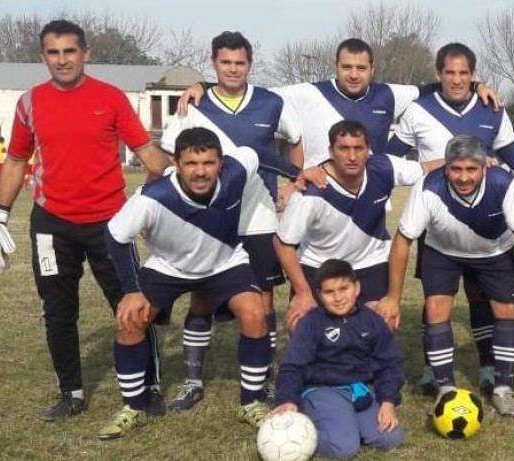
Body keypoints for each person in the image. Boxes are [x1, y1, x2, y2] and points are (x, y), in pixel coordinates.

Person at [0, 19, 172, 422]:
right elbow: (17, 160)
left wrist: (173, 189)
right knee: (57, 311)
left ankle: (150, 385)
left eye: (70, 51)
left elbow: (150, 156)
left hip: (110, 225)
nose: (62, 60)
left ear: (86, 53)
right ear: (43, 57)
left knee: (133, 305)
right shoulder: (29, 102)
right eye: (53, 53)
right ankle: (70, 392)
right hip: (51, 225)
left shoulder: (111, 98)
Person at [158, 31, 305, 412]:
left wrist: (293, 183)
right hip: (209, 217)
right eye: (226, 62)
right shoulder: (196, 103)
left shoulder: (272, 103)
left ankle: (266, 376)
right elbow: (170, 157)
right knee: (202, 295)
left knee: (264, 298)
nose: (233, 69)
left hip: (258, 217)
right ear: (214, 64)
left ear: (250, 65)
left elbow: (296, 139)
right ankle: (192, 381)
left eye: (240, 62)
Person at [99, 127, 272, 439]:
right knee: (129, 321)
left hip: (225, 262)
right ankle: (133, 408)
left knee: (256, 314)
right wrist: (132, 291)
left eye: (208, 163)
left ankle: (251, 402)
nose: (201, 171)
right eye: (191, 163)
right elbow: (115, 235)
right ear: (176, 162)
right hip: (169, 266)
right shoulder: (154, 197)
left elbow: (259, 154)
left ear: (221, 163)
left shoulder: (236, 170)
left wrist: (301, 174)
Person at [386, 42, 514, 396]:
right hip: (437, 218)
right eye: (449, 72)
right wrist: (424, 169)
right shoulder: (418, 111)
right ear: (437, 75)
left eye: (464, 73)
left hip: (484, 219)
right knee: (436, 298)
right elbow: (389, 159)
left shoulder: (492, 109)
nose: (456, 79)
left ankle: (486, 365)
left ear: (473, 75)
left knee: (481, 296)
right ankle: (432, 371)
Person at [378, 134, 514, 417]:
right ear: (446, 168)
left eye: (471, 169)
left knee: (506, 311)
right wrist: (393, 297)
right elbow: (403, 241)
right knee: (436, 308)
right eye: (456, 169)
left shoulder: (504, 184)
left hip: (493, 253)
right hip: (442, 251)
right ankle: (445, 389)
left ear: (484, 167)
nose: (463, 177)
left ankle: (502, 388)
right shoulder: (428, 188)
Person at [180, 38, 500, 168]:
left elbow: (434, 87)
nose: (354, 74)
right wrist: (206, 85)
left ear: (372, 69)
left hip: (370, 193)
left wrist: (476, 84)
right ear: (336, 65)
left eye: (361, 68)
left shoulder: (388, 94)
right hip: (318, 193)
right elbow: (254, 88)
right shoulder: (308, 92)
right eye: (347, 67)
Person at [274, 120, 424, 331]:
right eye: (343, 148)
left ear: (368, 150)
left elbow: (428, 168)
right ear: (331, 151)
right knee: (303, 327)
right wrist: (303, 293)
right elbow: (282, 243)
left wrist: (481, 161)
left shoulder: (383, 167)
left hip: (371, 264)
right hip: (320, 266)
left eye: (358, 148)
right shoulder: (311, 191)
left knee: (382, 325)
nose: (352, 157)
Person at [269, 259, 405, 459]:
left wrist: (387, 402)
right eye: (329, 292)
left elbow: (389, 364)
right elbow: (293, 366)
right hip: (324, 389)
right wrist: (288, 399)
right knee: (343, 448)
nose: (338, 297)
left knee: (391, 437)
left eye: (344, 288)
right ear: (319, 294)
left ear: (357, 287)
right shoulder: (311, 323)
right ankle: (298, 432)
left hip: (360, 390)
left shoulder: (373, 320)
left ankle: (343, 424)